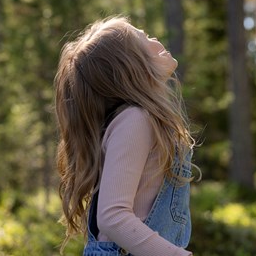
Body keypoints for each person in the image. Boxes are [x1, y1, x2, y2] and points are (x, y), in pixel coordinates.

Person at [54, 16, 197, 256]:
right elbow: (112, 216)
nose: (154, 39)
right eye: (143, 37)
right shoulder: (135, 120)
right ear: (131, 64)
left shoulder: (142, 119)